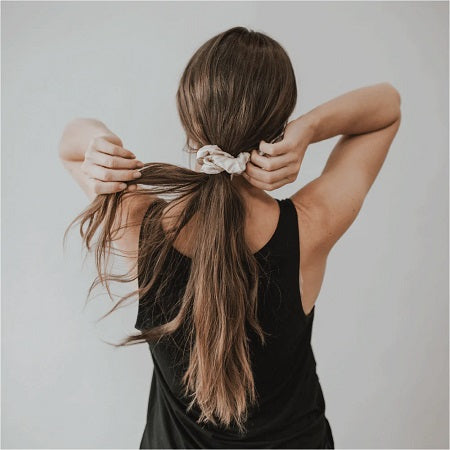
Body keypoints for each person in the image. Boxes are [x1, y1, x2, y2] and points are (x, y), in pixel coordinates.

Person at [58, 26, 401, 449]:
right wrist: (309, 129)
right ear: (279, 125)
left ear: (187, 116)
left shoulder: (137, 224)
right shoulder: (310, 226)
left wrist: (98, 142)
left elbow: (69, 146)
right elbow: (387, 105)